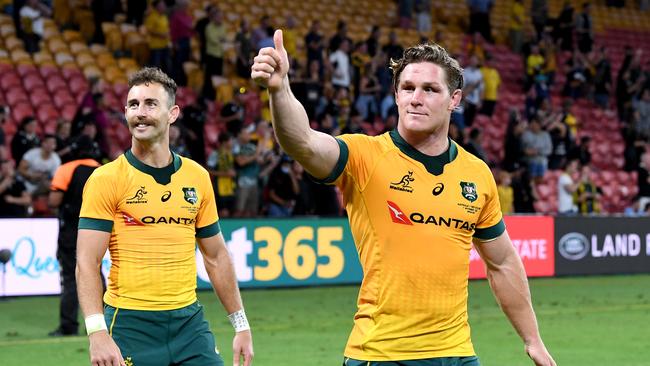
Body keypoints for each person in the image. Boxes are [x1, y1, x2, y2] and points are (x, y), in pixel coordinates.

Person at [252, 30, 555, 366]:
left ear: (454, 99)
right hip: (383, 355)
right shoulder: (364, 157)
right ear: (396, 95)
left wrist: (533, 340)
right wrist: (280, 90)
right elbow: (303, 142)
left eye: (430, 89)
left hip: (457, 354)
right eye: (408, 88)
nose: (416, 98)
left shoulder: (477, 174)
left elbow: (502, 262)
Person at [76, 68, 253, 366]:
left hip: (189, 323)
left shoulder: (197, 176)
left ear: (172, 114)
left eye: (150, 104)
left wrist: (241, 324)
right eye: (133, 105)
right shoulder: (106, 179)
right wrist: (97, 333)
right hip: (131, 325)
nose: (140, 113)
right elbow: (87, 262)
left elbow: (216, 256)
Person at [48, 136, 102, 337]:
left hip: (71, 231)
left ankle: (69, 326)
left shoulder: (67, 168)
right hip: (99, 231)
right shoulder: (103, 170)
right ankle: (103, 324)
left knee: (71, 277)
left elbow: (54, 200)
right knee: (96, 275)